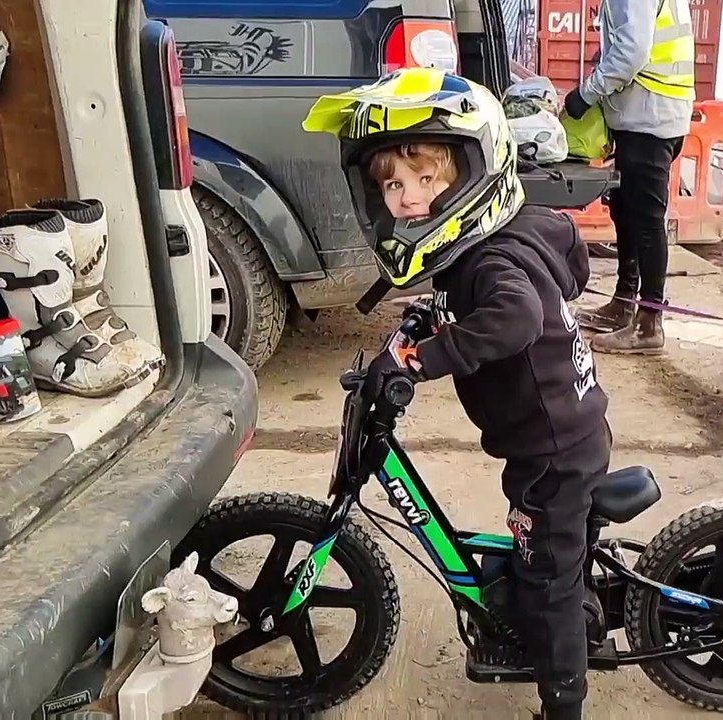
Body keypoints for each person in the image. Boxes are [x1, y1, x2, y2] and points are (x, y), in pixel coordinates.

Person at [302, 68, 611, 719]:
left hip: (554, 453)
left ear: (473, 174)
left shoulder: (491, 262)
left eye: (428, 179)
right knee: (547, 555)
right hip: (561, 432)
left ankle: (566, 703)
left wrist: (418, 360)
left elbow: (513, 319)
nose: (409, 198)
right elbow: (461, 300)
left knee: (546, 583)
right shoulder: (481, 247)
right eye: (392, 184)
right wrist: (421, 322)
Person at [567, 0, 696, 355]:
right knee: (625, 209)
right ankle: (624, 301)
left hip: (650, 118)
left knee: (646, 219)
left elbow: (632, 52)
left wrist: (587, 93)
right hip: (651, 112)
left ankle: (649, 322)